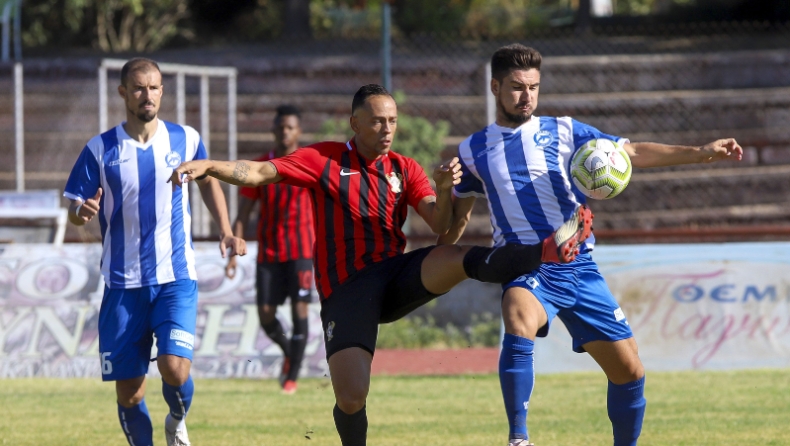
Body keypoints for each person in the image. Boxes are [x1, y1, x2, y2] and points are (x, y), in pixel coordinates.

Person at [170, 83, 594, 446]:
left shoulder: (404, 168)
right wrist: (211, 166)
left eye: (392, 120)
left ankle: (545, 252)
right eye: (377, 121)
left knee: (451, 256)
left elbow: (443, 229)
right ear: (355, 124)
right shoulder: (325, 160)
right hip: (348, 288)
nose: (387, 128)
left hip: (394, 278)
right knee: (352, 397)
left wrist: (447, 191)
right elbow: (259, 172)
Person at [439, 44, 744, 446]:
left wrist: (700, 153)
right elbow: (453, 225)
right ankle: (518, 439)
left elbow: (630, 151)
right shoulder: (473, 150)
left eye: (533, 87)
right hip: (527, 264)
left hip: (578, 266)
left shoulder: (564, 131)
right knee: (518, 315)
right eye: (516, 87)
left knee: (630, 372)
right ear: (495, 87)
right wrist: (444, 194)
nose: (526, 95)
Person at [64, 57, 246, 446]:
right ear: (123, 93)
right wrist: (82, 213)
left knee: (175, 369)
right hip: (122, 284)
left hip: (175, 277)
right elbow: (75, 210)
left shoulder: (186, 139)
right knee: (129, 392)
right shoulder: (100, 148)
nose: (147, 95)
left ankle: (177, 418)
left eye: (154, 87)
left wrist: (227, 230)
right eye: (139, 87)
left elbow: (208, 179)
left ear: (163, 91)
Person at [225, 104, 315, 395]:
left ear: (298, 131)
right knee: (265, 314)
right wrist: (233, 252)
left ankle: (292, 377)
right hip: (270, 252)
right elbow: (243, 213)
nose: (285, 132)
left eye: (290, 127)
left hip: (302, 251)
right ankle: (290, 352)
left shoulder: (310, 163)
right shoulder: (260, 166)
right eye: (281, 127)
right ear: (273, 130)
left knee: (299, 308)